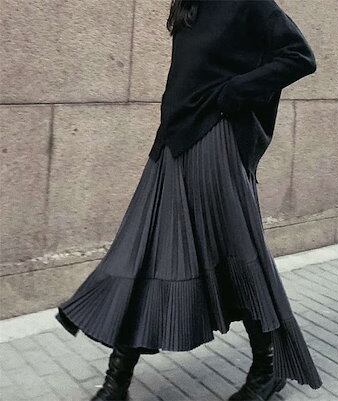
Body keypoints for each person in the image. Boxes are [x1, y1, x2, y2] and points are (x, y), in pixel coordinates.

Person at [55, 1, 323, 400]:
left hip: (215, 143)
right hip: (172, 146)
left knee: (240, 254)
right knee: (142, 255)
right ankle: (116, 383)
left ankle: (268, 369)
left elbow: (299, 57)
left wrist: (233, 92)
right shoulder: (188, 6)